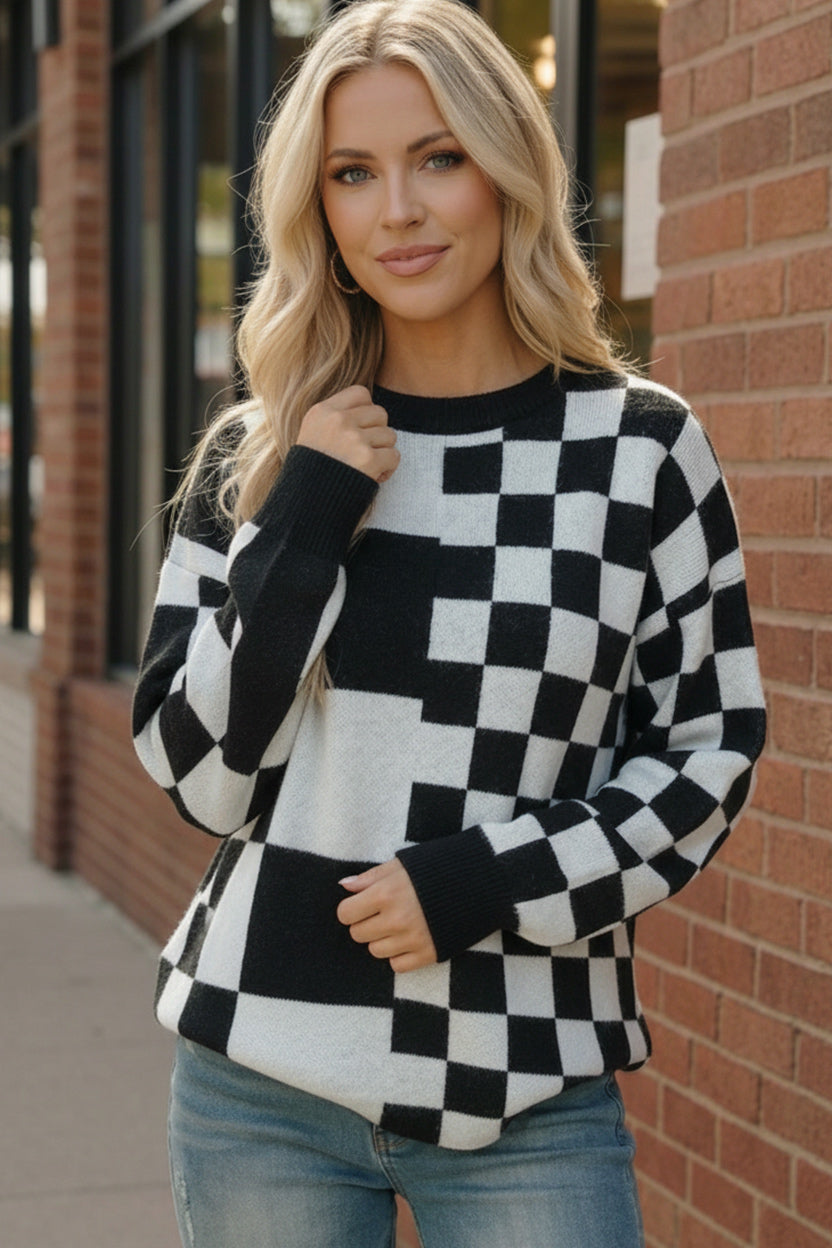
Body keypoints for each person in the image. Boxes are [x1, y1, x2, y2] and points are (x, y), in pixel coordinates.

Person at [132, 2, 766, 1245]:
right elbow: (201, 777)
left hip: (524, 1081)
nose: (397, 212)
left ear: (505, 169)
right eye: (351, 174)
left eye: (438, 158)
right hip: (259, 1079)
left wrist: (485, 880)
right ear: (318, 209)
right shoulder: (261, 455)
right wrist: (308, 512)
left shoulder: (637, 451)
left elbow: (707, 755)